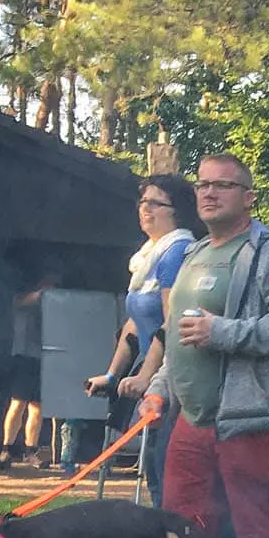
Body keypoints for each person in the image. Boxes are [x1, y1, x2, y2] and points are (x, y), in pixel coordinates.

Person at [150, 152, 269, 538]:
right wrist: (159, 387)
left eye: (222, 185)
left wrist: (222, 332)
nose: (209, 193)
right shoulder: (194, 254)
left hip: (254, 417)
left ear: (248, 199)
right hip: (193, 419)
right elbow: (176, 333)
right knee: (186, 519)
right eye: (203, 185)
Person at [85, 173, 198, 489]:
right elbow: (134, 322)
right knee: (155, 466)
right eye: (143, 202)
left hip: (176, 377)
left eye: (155, 203)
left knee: (163, 468)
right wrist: (111, 375)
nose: (144, 209)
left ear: (176, 210)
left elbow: (171, 321)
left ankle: (180, 534)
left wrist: (146, 376)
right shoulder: (147, 256)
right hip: (155, 376)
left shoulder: (176, 252)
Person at [0, 275, 58, 470]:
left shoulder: (51, 308)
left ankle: (30, 452)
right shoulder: (22, 300)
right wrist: (44, 293)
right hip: (23, 357)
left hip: (43, 358)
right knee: (18, 403)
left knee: (37, 407)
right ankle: (6, 450)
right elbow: (22, 301)